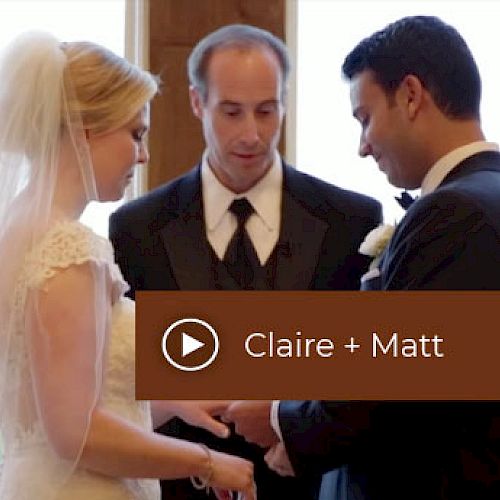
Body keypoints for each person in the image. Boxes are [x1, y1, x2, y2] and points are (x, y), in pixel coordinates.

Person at [225, 16, 500, 499]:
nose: (363, 146)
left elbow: (402, 383)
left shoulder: (456, 212)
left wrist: (279, 419)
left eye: (365, 117)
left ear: (411, 95)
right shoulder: (483, 197)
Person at [109, 23, 381, 500]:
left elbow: (358, 380)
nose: (252, 134)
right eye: (231, 112)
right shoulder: (136, 228)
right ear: (197, 103)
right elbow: (126, 387)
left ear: (285, 103)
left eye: (267, 111)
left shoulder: (352, 221)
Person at [0, 32, 256, 500]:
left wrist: (164, 405)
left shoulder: (15, 228)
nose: (144, 155)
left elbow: (48, 407)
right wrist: (208, 462)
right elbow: (77, 435)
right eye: (136, 133)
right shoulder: (70, 248)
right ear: (87, 130)